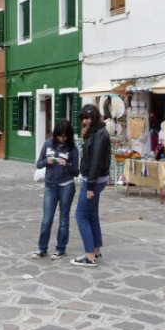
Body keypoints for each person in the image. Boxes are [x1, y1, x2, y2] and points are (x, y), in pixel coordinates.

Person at [31, 119, 80, 260]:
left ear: (69, 136)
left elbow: (76, 171)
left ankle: (61, 249)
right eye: (59, 136)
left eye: (64, 136)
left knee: (64, 219)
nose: (61, 139)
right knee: (47, 219)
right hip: (50, 186)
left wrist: (66, 164)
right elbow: (38, 164)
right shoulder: (48, 144)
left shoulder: (72, 149)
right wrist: (47, 161)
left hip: (66, 186)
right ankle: (42, 248)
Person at [71, 103, 111, 267]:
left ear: (94, 118)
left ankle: (89, 256)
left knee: (80, 216)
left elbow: (95, 162)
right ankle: (95, 249)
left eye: (87, 118)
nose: (84, 122)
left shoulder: (100, 134)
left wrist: (90, 187)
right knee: (92, 215)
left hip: (93, 180)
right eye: (83, 119)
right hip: (97, 179)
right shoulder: (95, 132)